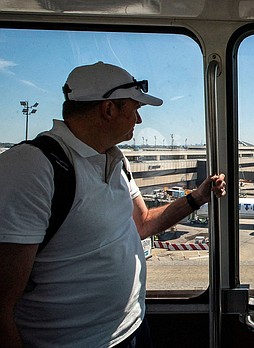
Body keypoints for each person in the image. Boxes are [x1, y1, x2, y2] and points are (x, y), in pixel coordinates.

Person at [0, 62, 226, 348]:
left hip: (133, 327)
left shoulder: (117, 161)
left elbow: (142, 224)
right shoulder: (31, 168)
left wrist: (197, 198)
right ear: (108, 109)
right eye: (135, 109)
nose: (139, 121)